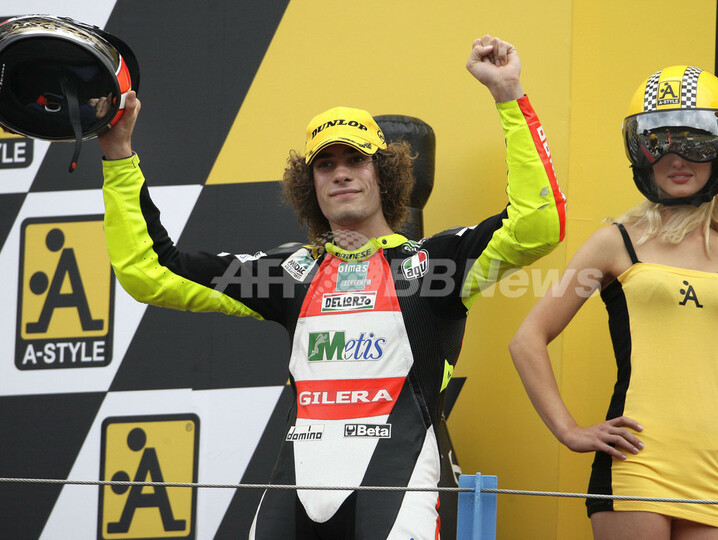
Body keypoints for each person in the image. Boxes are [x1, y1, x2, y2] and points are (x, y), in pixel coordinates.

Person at [98, 34, 566, 539]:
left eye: (355, 160)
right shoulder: (290, 274)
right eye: (325, 165)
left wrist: (508, 95)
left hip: (397, 499)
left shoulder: (434, 265)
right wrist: (118, 154)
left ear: (384, 174)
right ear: (311, 185)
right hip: (291, 505)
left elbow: (537, 225)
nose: (340, 174)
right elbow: (151, 272)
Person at [509, 65, 718, 539]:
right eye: (659, 142)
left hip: (714, 469)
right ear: (640, 152)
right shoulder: (613, 242)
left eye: (695, 142)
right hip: (634, 463)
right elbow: (528, 338)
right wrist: (569, 431)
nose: (677, 158)